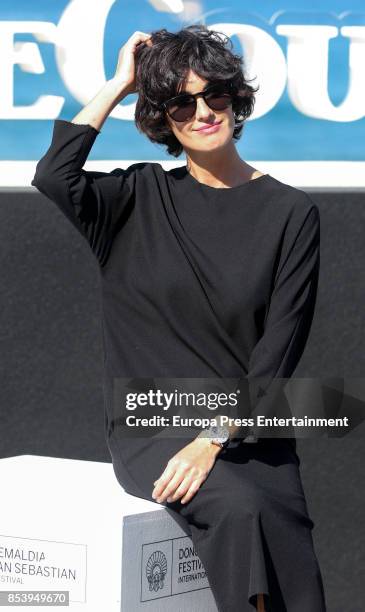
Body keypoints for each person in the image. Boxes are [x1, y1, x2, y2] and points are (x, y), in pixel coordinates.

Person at [31, 25, 327, 612]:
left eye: (214, 95)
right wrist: (120, 83)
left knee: (279, 524)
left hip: (246, 425)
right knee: (241, 509)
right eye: (181, 102)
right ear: (163, 118)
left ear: (235, 100)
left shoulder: (292, 212)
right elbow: (53, 176)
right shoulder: (134, 200)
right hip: (154, 423)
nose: (202, 112)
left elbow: (278, 351)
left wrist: (214, 437)